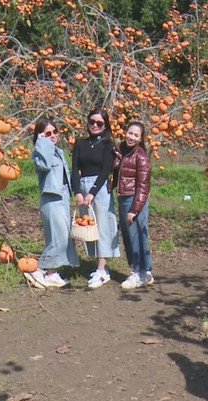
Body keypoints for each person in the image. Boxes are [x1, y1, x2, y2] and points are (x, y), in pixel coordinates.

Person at [25, 118, 80, 289]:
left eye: (55, 132)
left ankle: (51, 272)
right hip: (50, 198)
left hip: (62, 198)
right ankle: (38, 269)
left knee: (62, 236)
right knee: (58, 236)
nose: (53, 136)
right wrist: (42, 141)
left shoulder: (58, 151)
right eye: (48, 133)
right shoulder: (39, 152)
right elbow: (45, 165)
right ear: (40, 136)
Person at [71, 107, 121, 289]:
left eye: (99, 123)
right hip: (83, 186)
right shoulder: (80, 144)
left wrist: (91, 192)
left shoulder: (108, 145)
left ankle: (102, 268)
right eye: (92, 122)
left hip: (99, 189)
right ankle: (98, 265)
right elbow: (74, 169)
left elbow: (105, 171)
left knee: (103, 225)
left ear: (105, 125)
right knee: (89, 225)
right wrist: (77, 191)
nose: (95, 125)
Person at [114, 121, 153, 290]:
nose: (131, 137)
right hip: (124, 198)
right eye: (130, 133)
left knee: (136, 236)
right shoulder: (121, 151)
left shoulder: (141, 157)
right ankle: (145, 272)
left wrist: (134, 210)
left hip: (134, 200)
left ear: (141, 138)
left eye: (136, 135)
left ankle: (139, 272)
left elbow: (143, 187)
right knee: (130, 237)